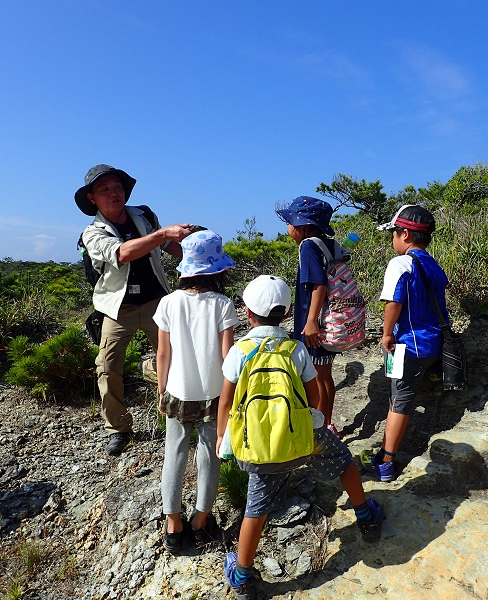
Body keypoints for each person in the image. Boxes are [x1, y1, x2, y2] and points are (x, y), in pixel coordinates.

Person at [217, 275, 385, 600]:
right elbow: (313, 394)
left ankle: (242, 577)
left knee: (255, 510)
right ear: (287, 312)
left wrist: (223, 436)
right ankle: (366, 518)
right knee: (345, 462)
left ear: (247, 313)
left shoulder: (240, 351)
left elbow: (226, 401)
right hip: (304, 434)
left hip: (261, 445)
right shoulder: (295, 349)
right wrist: (307, 422)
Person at [75, 164, 194, 456]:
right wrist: (163, 233)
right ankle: (118, 428)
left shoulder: (144, 216)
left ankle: (178, 415)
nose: (113, 193)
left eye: (117, 187)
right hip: (118, 308)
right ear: (92, 198)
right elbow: (122, 253)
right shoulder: (92, 233)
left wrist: (198, 253)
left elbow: (168, 247)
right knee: (108, 368)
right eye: (104, 189)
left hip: (157, 302)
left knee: (175, 359)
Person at [153, 230, 239, 554]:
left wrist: (162, 390)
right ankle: (201, 521)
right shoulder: (223, 304)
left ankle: (173, 525)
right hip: (214, 394)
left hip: (177, 391)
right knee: (209, 457)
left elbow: (163, 353)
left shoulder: (168, 303)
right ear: (216, 269)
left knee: (173, 455)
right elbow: (227, 355)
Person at [362, 204, 449, 482]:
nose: (393, 239)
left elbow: (393, 303)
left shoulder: (400, 264)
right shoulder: (434, 266)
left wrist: (386, 334)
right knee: (404, 397)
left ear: (405, 235)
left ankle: (386, 462)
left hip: (407, 346)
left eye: (394, 233)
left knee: (398, 401)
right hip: (434, 346)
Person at [275, 196, 345, 438]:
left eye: (290, 222)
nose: (288, 227)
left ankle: (320, 427)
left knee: (316, 377)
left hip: (316, 323)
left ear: (302, 226)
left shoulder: (308, 246)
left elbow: (318, 284)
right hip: (331, 320)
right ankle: (328, 422)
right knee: (325, 376)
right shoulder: (330, 244)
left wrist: (311, 321)